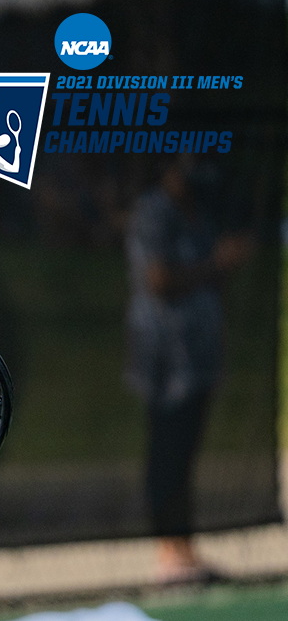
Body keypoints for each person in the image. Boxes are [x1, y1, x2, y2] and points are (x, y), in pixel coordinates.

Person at [124, 156, 252, 584]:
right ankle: (168, 553)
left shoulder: (199, 213)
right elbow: (159, 280)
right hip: (165, 360)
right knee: (168, 454)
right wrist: (218, 264)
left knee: (186, 453)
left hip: (199, 358)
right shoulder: (153, 212)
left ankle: (185, 550)